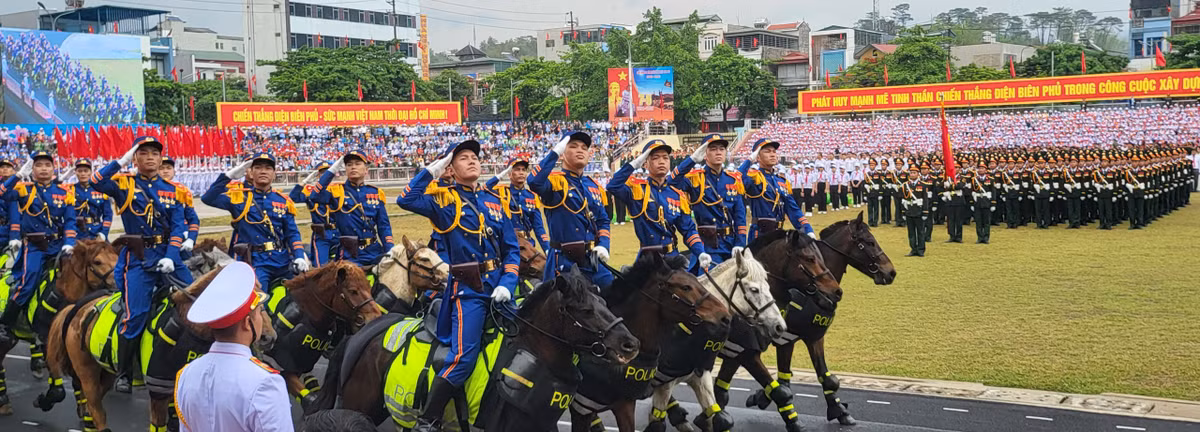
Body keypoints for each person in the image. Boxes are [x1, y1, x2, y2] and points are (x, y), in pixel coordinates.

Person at [397, 140, 520, 432]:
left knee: (526, 338)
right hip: (469, 292)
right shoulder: (443, 201)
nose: (472, 160)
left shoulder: (494, 201)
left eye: (475, 156)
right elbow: (406, 199)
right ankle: (428, 420)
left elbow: (512, 250)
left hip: (499, 289)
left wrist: (508, 283)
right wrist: (433, 170)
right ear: (451, 167)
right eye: (463, 158)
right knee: (463, 358)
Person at [90, 136, 194, 393]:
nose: (150, 157)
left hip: (168, 257)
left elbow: (178, 226)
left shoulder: (174, 190)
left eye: (154, 153)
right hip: (138, 260)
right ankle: (125, 373)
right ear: (135, 158)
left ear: (161, 158)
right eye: (143, 153)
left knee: (197, 301)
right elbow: (96, 181)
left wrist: (171, 255)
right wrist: (120, 162)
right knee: (135, 315)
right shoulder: (124, 184)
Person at [174, 261, 292, 432]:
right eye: (260, 312)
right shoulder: (266, 383)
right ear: (247, 323)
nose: (262, 318)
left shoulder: (186, 374)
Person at [0, 152, 77, 348]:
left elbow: (70, 221)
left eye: (47, 165)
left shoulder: (64, 193)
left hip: (58, 246)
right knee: (29, 280)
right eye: (39, 165)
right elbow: (3, 193)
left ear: (53, 169)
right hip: (35, 247)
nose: (43, 169)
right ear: (32, 170)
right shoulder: (24, 190)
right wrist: (17, 176)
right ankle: (6, 323)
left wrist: (69, 242)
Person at [202, 152, 310, 291]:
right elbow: (208, 198)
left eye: (268, 168)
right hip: (256, 263)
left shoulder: (283, 201)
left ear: (274, 174)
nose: (263, 171)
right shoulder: (239, 198)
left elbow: (292, 233)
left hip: (282, 260)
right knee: (259, 299)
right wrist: (228, 177)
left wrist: (299, 256)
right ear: (251, 173)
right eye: (258, 167)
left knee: (305, 295)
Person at [608, 139, 711, 273]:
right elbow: (613, 186)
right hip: (648, 261)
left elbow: (688, 230)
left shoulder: (677, 195)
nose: (661, 161)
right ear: (645, 163)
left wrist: (700, 252)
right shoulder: (637, 190)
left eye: (665, 158)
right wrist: (634, 164)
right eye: (655, 158)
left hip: (673, 259)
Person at [527, 132, 613, 290]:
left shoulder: (593, 186)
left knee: (617, 294)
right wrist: (554, 153)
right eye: (573, 146)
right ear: (562, 153)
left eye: (584, 148)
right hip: (564, 262)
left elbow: (603, 220)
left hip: (592, 260)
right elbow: (533, 181)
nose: (580, 150)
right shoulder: (554, 182)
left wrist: (604, 245)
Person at [670, 134, 747, 265]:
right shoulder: (695, 179)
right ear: (704, 154)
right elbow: (671, 182)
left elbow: (740, 216)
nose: (718, 152)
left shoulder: (733, 180)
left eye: (721, 149)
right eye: (713, 149)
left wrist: (740, 243)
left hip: (731, 244)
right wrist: (692, 160)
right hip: (707, 246)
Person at [311, 151, 394, 265]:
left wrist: (389, 249)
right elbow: (315, 195)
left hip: (374, 251)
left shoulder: (375, 193)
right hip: (349, 255)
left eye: (357, 163)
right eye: (349, 165)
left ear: (366, 170)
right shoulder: (337, 192)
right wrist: (332, 170)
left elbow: (384, 226)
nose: (353, 167)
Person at [739, 138, 815, 242]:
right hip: (760, 236)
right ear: (758, 157)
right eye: (767, 151)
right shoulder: (754, 178)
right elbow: (737, 178)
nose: (772, 155)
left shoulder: (781, 181)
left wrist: (808, 230)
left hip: (779, 235)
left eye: (774, 151)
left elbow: (793, 209)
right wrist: (749, 160)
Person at [486, 156, 550, 253]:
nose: (521, 173)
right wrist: (500, 175)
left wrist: (547, 250)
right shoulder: (501, 193)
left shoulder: (532, 196)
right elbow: (485, 189)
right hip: (507, 245)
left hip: (527, 246)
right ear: (510, 174)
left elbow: (538, 227)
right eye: (517, 169)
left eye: (523, 170)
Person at [289, 161, 338, 267]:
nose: (325, 175)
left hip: (338, 231)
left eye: (327, 173)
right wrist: (303, 183)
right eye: (322, 173)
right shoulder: (311, 191)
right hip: (321, 233)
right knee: (320, 266)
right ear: (318, 175)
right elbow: (293, 197)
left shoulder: (338, 190)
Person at [159, 156, 200, 259]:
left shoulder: (181, 191)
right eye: (161, 168)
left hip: (180, 238)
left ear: (174, 171)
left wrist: (191, 238)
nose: (165, 171)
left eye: (169, 168)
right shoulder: (148, 190)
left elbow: (193, 218)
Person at [68, 159, 113, 241]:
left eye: (86, 171)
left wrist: (103, 233)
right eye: (80, 171)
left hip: (97, 233)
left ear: (91, 172)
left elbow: (108, 215)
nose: (83, 174)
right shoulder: (69, 191)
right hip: (77, 234)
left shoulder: (100, 189)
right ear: (75, 172)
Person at [901, 165, 927, 257]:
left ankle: (920, 250)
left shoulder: (923, 185)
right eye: (911, 173)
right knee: (911, 233)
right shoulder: (905, 185)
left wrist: (925, 212)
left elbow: (925, 199)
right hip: (909, 211)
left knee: (920, 232)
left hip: (919, 211)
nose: (912, 174)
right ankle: (913, 249)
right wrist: (903, 212)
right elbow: (903, 199)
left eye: (914, 173)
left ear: (918, 174)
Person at [971, 163, 994, 244]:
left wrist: (993, 203)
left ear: (986, 170)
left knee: (986, 221)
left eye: (982, 168)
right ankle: (980, 237)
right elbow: (972, 191)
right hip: (977, 202)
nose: (981, 170)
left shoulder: (990, 179)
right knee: (978, 221)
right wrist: (972, 203)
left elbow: (993, 192)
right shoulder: (974, 179)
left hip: (986, 202)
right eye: (979, 168)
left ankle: (986, 237)